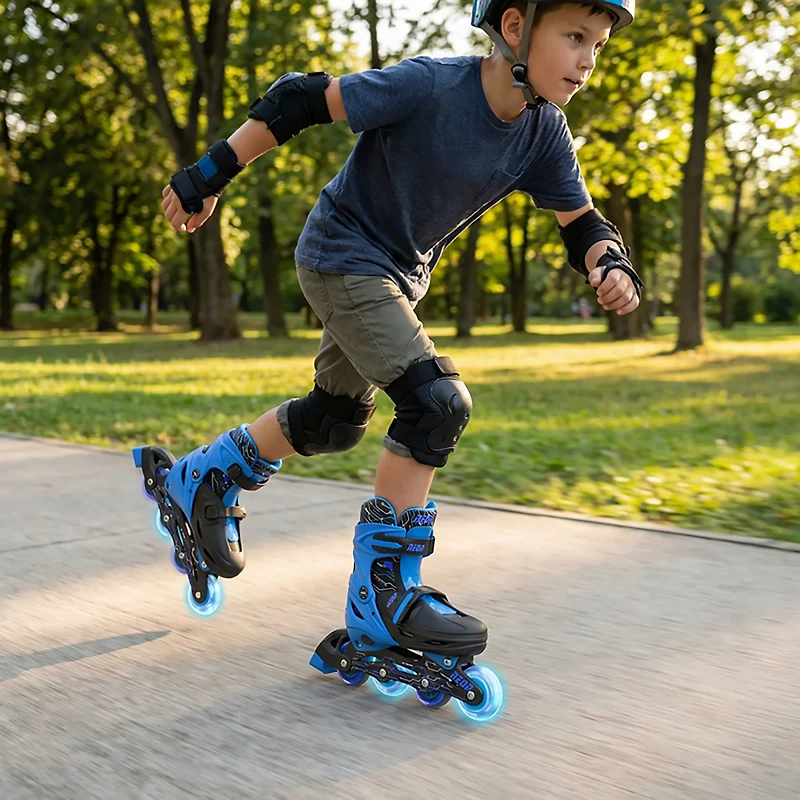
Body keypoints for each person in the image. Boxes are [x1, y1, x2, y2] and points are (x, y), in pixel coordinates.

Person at [138, 0, 641, 720]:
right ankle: (383, 600)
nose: (590, 56)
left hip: (394, 278)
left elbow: (581, 221)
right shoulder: (433, 85)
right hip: (342, 257)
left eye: (597, 42)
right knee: (437, 403)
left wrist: (608, 261)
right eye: (574, 36)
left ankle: (202, 476)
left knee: (336, 420)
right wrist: (210, 172)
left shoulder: (544, 132)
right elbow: (300, 98)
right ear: (513, 28)